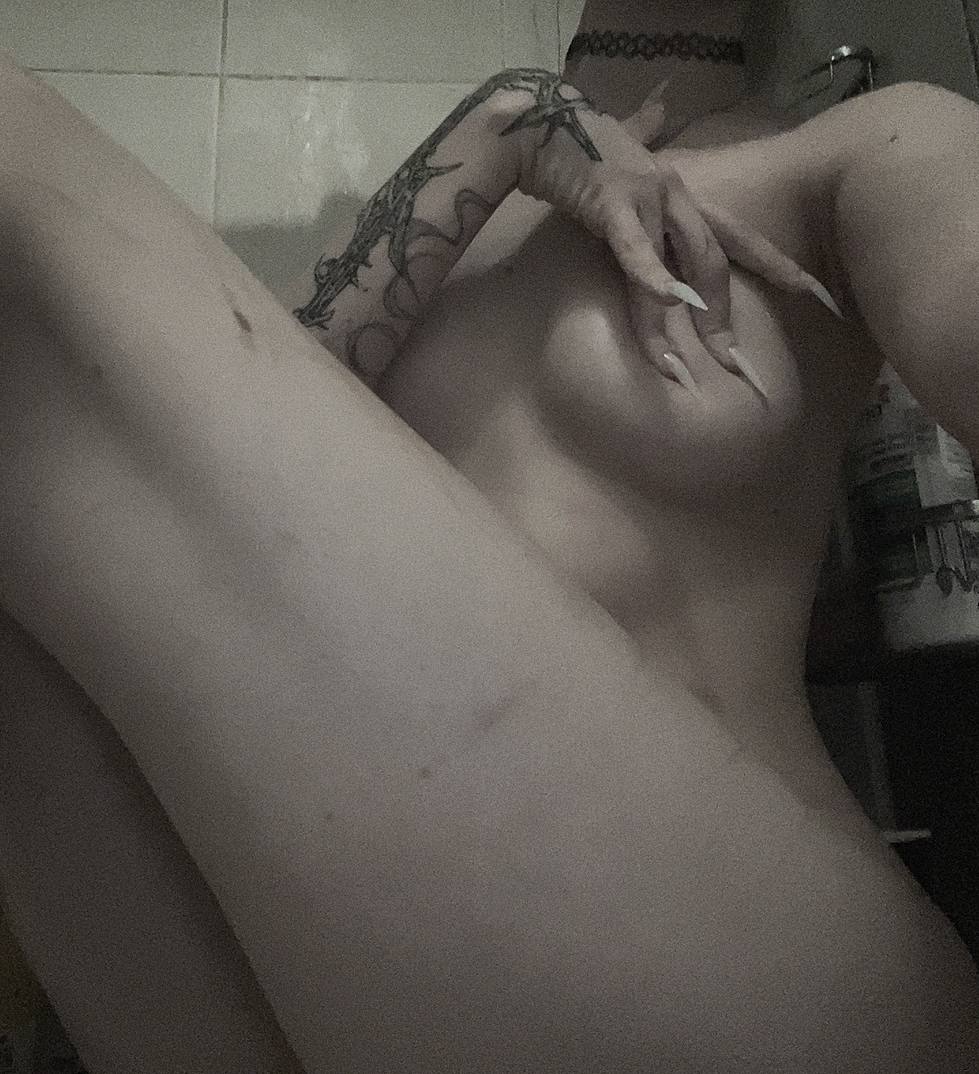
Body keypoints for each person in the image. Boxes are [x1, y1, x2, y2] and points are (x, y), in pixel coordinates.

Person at [0, 0, 978, 1067]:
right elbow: (193, 493)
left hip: (716, 952)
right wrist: (505, 130)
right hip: (320, 937)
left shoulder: (856, 150)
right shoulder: (475, 202)